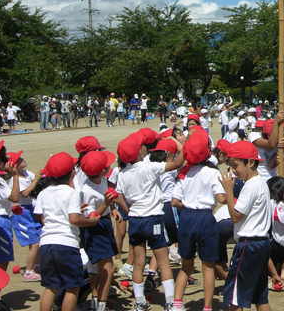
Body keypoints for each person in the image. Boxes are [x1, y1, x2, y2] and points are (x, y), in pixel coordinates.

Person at [115, 132, 185, 311]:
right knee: (163, 261)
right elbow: (178, 163)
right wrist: (182, 145)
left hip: (136, 219)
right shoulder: (149, 167)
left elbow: (118, 195)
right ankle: (170, 301)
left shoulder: (123, 174)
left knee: (138, 261)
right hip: (153, 217)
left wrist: (128, 209)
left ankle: (140, 302)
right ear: (139, 152)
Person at [34, 152, 101, 311]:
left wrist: (53, 221)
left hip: (46, 243)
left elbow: (39, 215)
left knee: (51, 287)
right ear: (72, 173)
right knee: (72, 287)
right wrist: (91, 221)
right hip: (66, 244)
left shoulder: (44, 192)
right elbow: (74, 220)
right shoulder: (72, 193)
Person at [171, 132, 226, 311]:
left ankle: (177, 303)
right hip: (205, 217)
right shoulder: (212, 172)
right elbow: (221, 197)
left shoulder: (183, 172)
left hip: (187, 217)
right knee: (208, 266)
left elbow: (175, 201)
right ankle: (208, 306)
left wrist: (188, 205)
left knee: (185, 265)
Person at [220, 140, 272, 311]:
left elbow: (235, 216)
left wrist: (228, 190)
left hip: (248, 244)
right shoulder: (262, 183)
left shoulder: (251, 185)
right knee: (260, 295)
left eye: (236, 165)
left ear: (250, 162)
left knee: (234, 297)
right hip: (261, 243)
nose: (234, 170)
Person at [78, 150, 118, 311]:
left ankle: (96, 300)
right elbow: (90, 218)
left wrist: (112, 209)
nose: (109, 166)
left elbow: (105, 196)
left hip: (105, 222)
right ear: (101, 170)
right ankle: (101, 304)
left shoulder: (101, 180)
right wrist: (106, 205)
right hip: (95, 228)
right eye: (106, 165)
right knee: (108, 267)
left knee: (95, 267)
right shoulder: (86, 191)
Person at [8, 150, 42, 282]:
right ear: (14, 166)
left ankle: (36, 265)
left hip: (31, 209)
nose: (22, 159)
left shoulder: (28, 174)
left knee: (37, 238)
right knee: (34, 242)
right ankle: (28, 272)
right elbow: (25, 193)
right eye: (19, 160)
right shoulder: (14, 180)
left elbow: (36, 183)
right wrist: (37, 179)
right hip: (21, 212)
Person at [0, 142, 19, 308]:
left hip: (3, 218)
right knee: (1, 263)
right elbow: (15, 197)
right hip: (1, 222)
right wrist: (16, 176)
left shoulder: (0, 180)